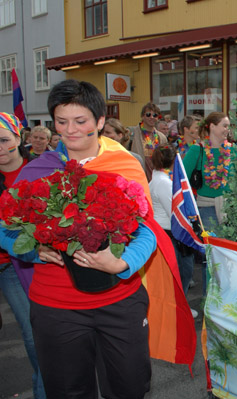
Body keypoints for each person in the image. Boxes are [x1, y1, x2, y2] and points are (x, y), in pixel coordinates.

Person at [0, 80, 189, 398]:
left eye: (81, 121)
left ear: (100, 122)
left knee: (129, 388)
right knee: (68, 391)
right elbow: (6, 230)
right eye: (61, 122)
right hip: (56, 307)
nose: (70, 130)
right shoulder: (36, 171)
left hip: (119, 302)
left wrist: (123, 262)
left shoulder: (126, 166)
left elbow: (146, 231)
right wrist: (36, 248)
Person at [0, 113, 46, 398]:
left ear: (19, 138)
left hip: (16, 265)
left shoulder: (39, 170)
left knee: (33, 333)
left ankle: (42, 388)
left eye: (4, 139)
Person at [149, 145, 198, 318]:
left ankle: (178, 306)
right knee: (182, 271)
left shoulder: (159, 179)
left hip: (168, 231)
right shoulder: (163, 183)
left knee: (181, 270)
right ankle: (179, 308)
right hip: (171, 233)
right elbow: (175, 212)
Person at [183, 111, 235, 231]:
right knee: (211, 247)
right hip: (206, 209)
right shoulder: (197, 150)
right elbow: (182, 179)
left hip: (230, 210)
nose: (228, 130)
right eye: (225, 126)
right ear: (212, 126)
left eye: (228, 126)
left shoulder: (233, 151)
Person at [130, 103, 168, 181]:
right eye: (148, 114)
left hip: (156, 179)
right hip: (138, 178)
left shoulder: (162, 137)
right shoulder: (132, 133)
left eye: (155, 115)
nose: (152, 117)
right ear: (142, 116)